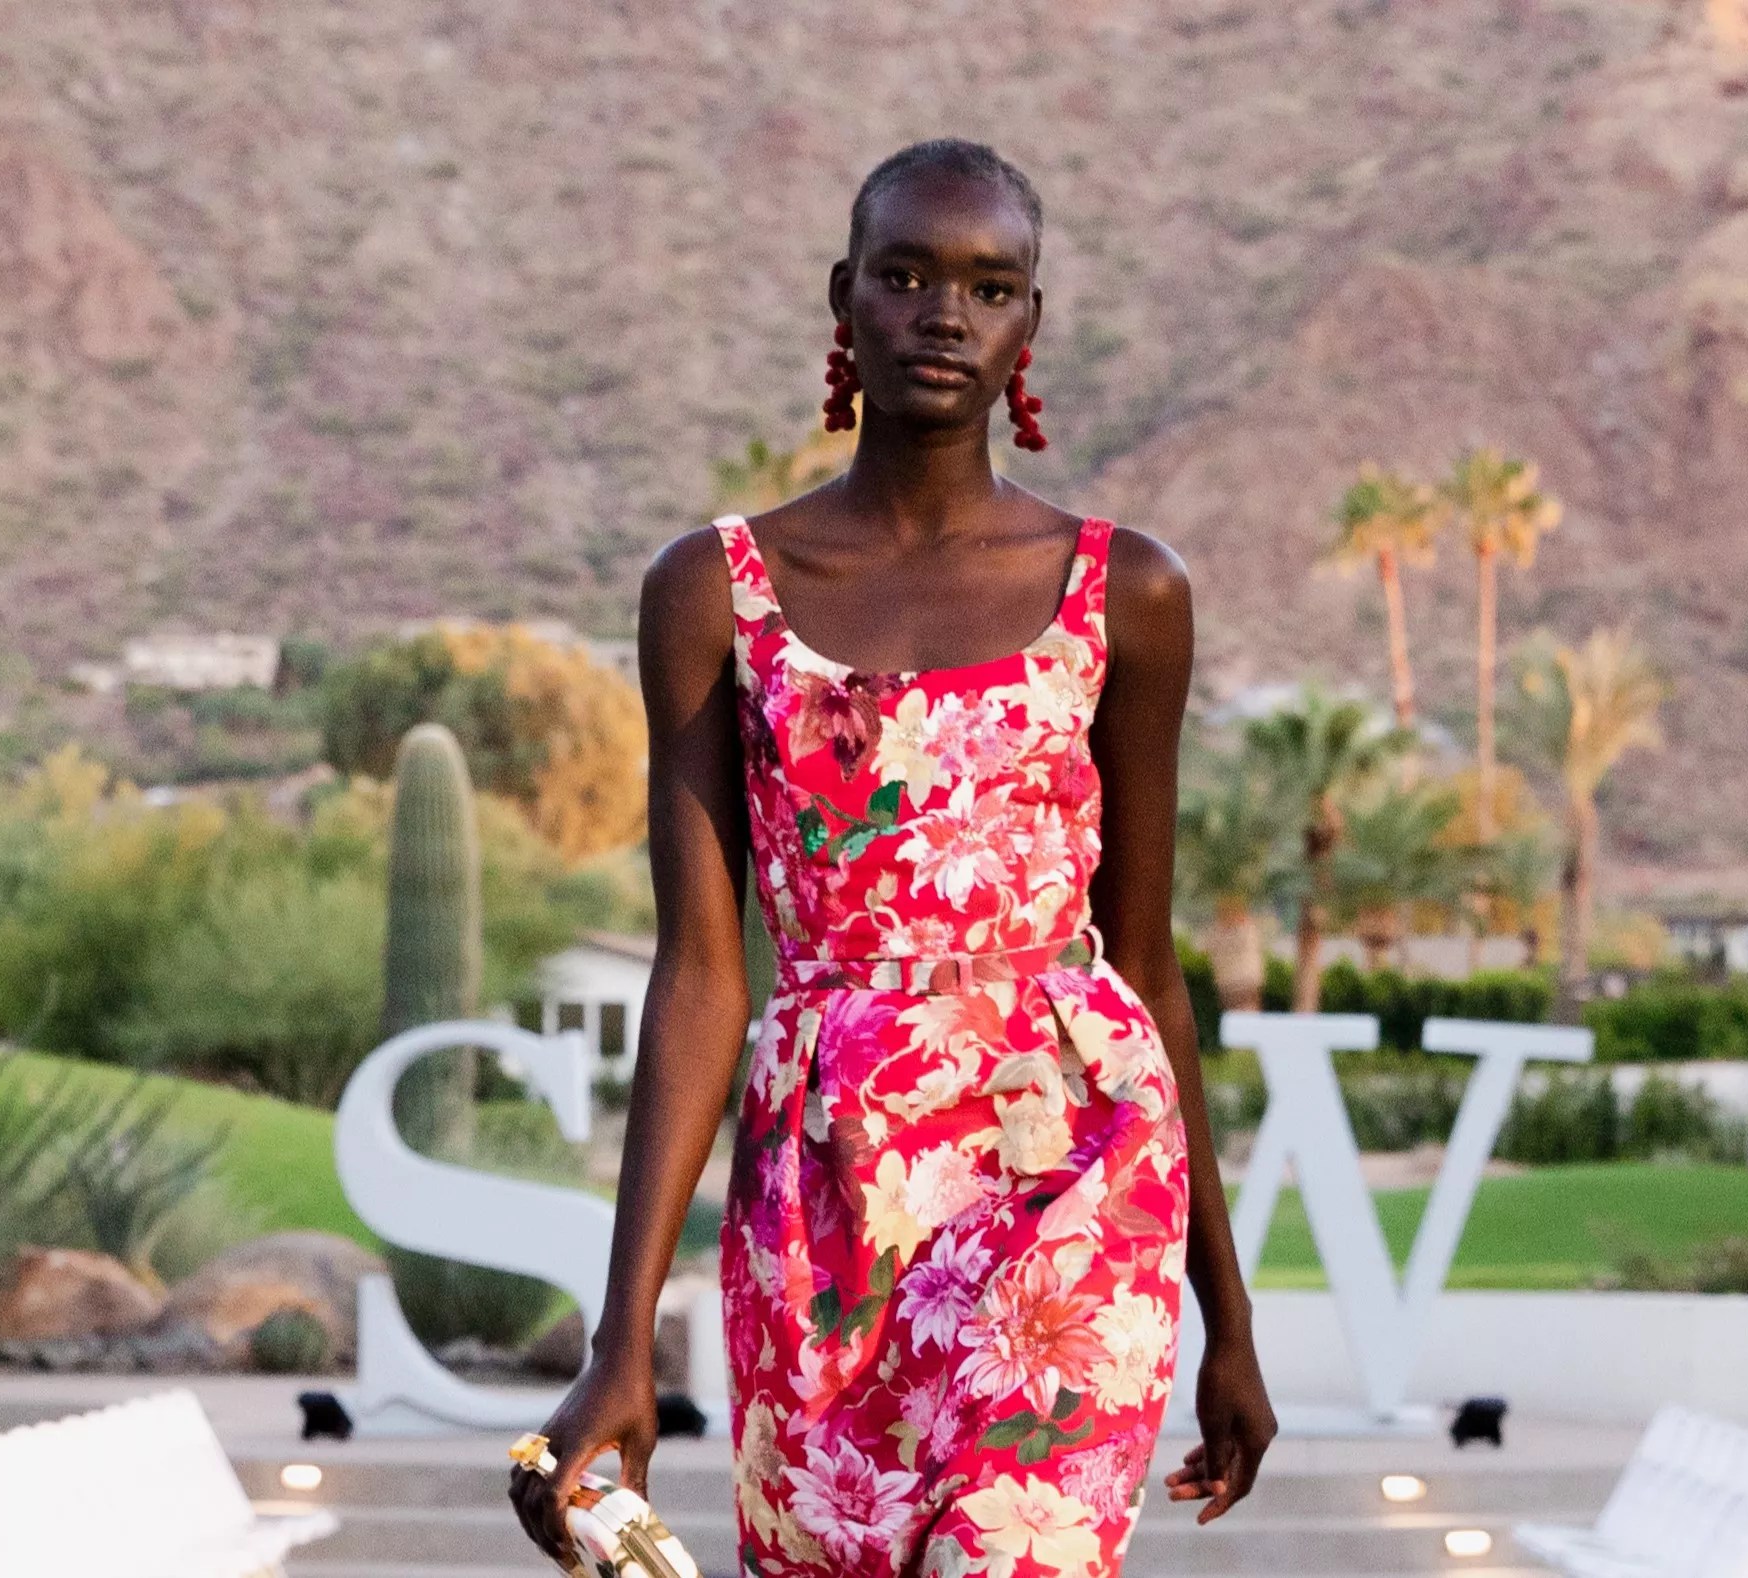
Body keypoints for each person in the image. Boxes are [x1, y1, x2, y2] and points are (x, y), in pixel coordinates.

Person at [509, 138, 1275, 1577]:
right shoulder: (713, 591)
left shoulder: (1132, 591)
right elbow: (698, 977)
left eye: (991, 287)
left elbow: (1150, 970)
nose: (945, 313)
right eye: (908, 274)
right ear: (843, 298)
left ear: (1029, 326)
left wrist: (1229, 1317)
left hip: (1075, 1172)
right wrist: (623, 1343)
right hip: (825, 1199)